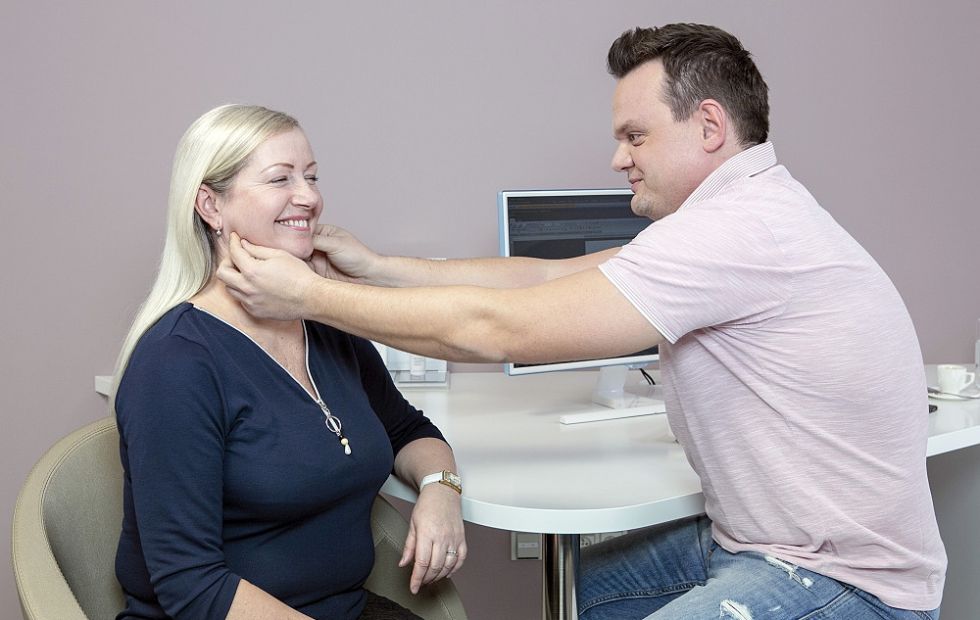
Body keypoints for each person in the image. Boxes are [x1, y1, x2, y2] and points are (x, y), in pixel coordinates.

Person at [216, 24, 946, 619]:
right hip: (754, 543)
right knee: (578, 593)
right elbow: (543, 278)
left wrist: (309, 297)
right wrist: (377, 267)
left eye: (636, 135)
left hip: (844, 581)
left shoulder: (737, 231)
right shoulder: (738, 215)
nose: (618, 158)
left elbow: (500, 329)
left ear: (709, 125)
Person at [110, 104, 466, 620]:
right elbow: (192, 586)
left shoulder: (324, 324)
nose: (310, 197)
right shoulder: (175, 362)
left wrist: (441, 489)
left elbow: (408, 431)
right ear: (210, 206)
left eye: (312, 177)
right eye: (281, 179)